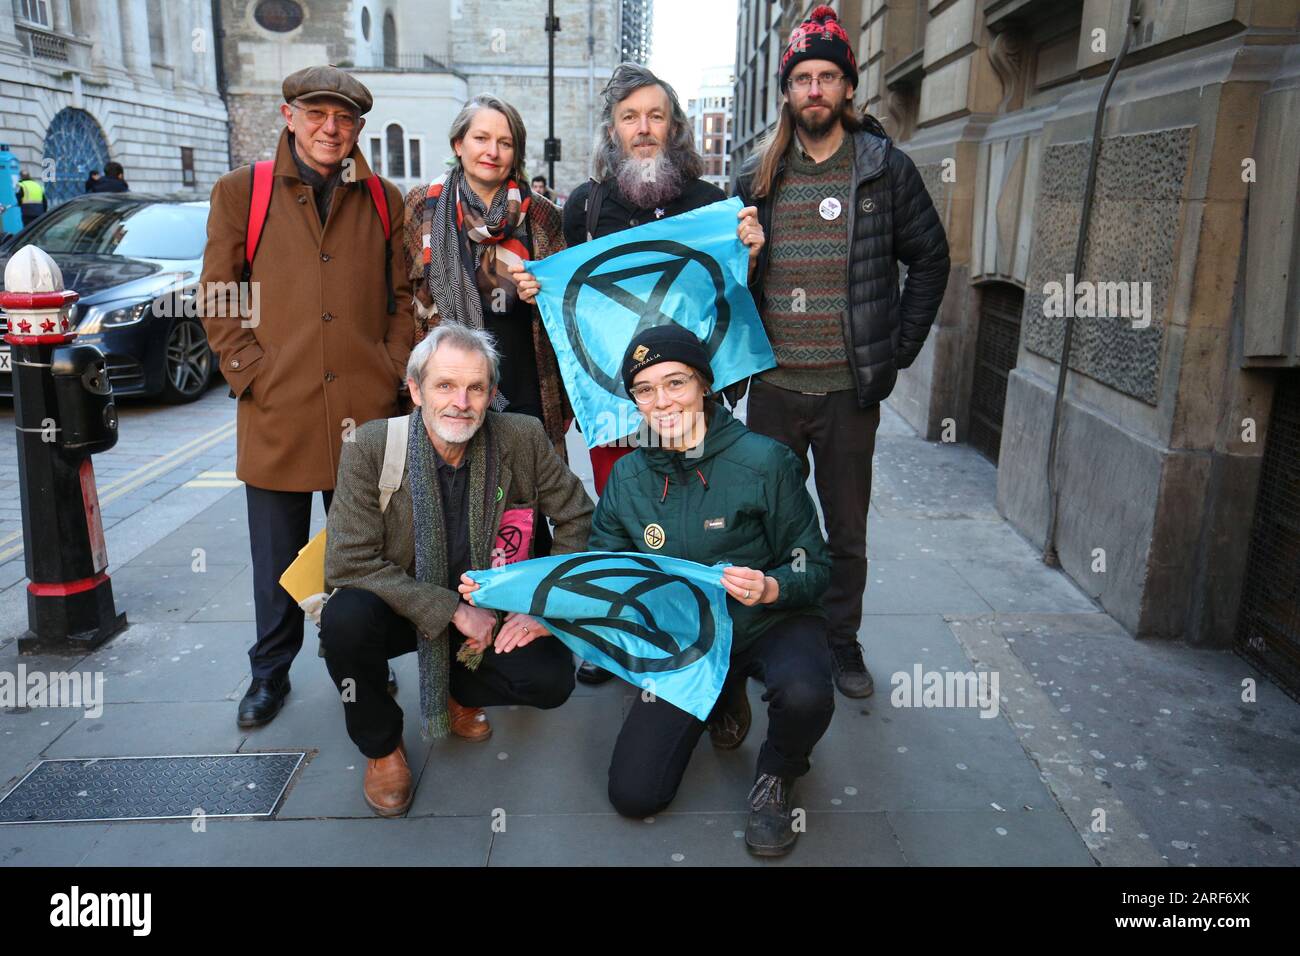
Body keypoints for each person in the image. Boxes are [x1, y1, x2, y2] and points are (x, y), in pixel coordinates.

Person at [519, 324, 831, 857]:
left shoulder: (766, 461)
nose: (662, 401)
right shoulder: (627, 478)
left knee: (805, 693)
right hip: (686, 641)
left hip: (766, 622)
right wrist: (545, 611)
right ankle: (722, 693)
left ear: (704, 384)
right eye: (645, 389)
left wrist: (772, 586)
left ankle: (779, 774)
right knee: (635, 795)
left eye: (676, 382)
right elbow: (607, 573)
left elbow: (817, 566)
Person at [513, 61, 766, 686]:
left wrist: (750, 257)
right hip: (615, 404)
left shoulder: (712, 205)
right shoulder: (586, 205)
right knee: (623, 518)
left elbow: (729, 298)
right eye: (631, 117)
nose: (644, 128)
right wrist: (536, 289)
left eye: (656, 116)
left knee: (693, 520)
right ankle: (618, 634)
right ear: (613, 130)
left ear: (674, 127)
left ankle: (692, 634)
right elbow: (574, 297)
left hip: (689, 404)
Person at [736, 5, 950, 700]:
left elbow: (931, 260)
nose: (815, 89)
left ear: (849, 87)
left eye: (828, 76)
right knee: (767, 525)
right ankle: (774, 640)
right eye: (803, 78)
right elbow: (728, 283)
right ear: (787, 91)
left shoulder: (885, 170)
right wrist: (747, 262)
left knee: (845, 531)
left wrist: (896, 350)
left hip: (846, 392)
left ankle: (840, 639)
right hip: (773, 388)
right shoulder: (758, 177)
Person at [200, 65, 415, 729]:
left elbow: (402, 298)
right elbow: (219, 293)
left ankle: (365, 662)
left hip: (364, 411)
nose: (331, 129)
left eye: (345, 119)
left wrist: (391, 368)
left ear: (358, 129)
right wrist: (251, 373)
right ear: (288, 116)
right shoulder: (243, 191)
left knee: (361, 555)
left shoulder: (383, 198)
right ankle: (270, 671)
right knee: (276, 559)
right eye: (317, 114)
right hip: (278, 410)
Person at [323, 324, 593, 817]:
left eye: (475, 388)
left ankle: (456, 688)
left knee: (551, 681)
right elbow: (348, 560)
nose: (460, 403)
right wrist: (450, 609)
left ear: (492, 394)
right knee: (344, 621)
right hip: (402, 603)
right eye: (444, 385)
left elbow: (578, 516)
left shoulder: (521, 437)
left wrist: (541, 603)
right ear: (415, 390)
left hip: (490, 605)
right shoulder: (370, 446)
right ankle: (382, 747)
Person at [403, 94, 571, 464]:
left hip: (524, 384)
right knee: (450, 491)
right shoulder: (422, 205)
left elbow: (570, 306)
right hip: (447, 388)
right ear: (458, 144)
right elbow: (404, 296)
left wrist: (544, 296)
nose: (492, 151)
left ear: (516, 152)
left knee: (524, 493)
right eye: (481, 138)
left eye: (505, 143)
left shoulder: (543, 215)